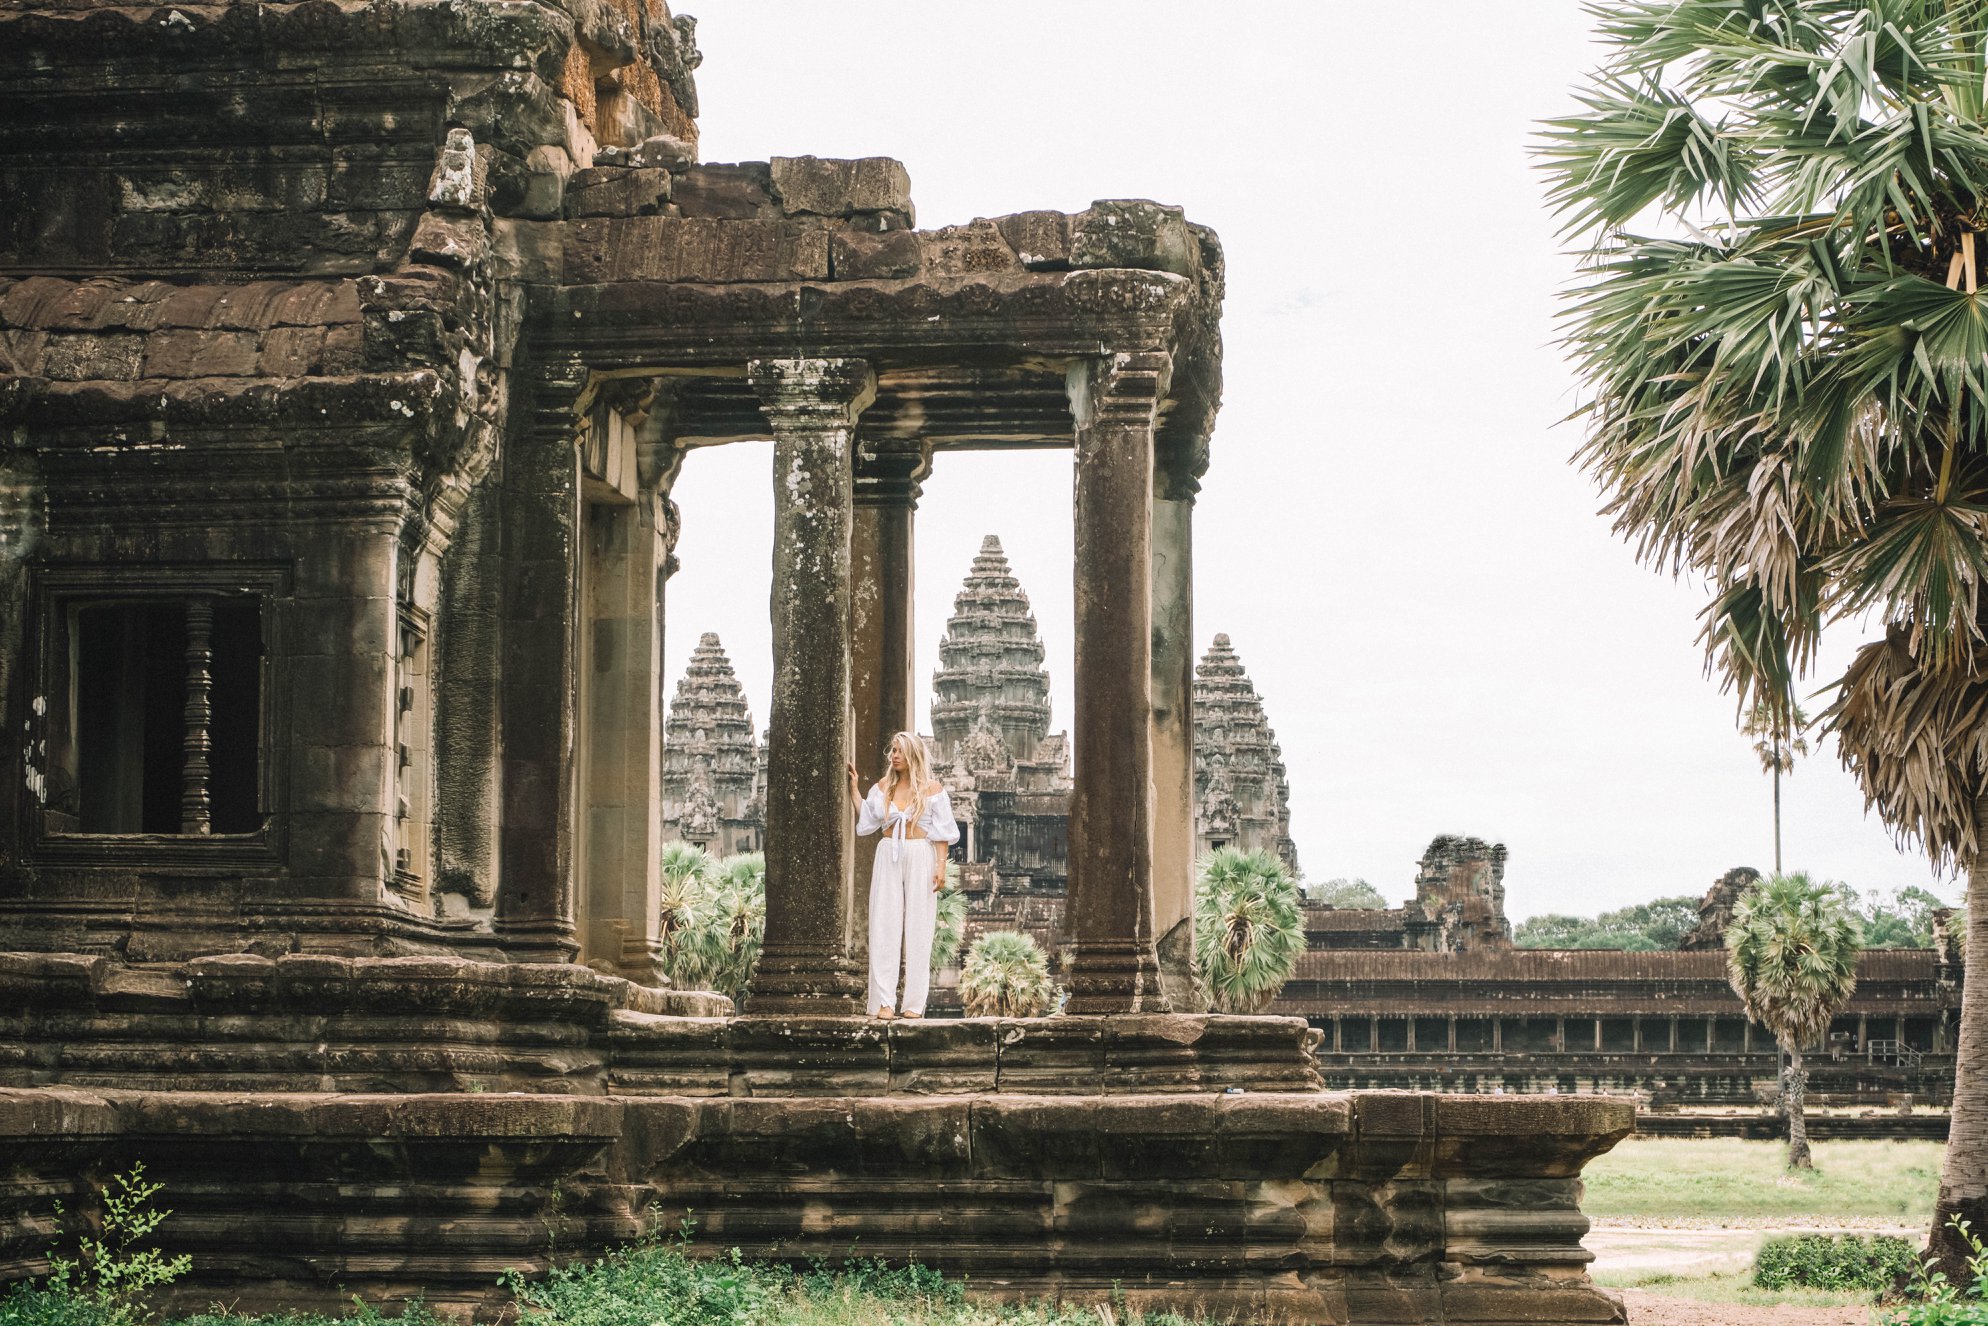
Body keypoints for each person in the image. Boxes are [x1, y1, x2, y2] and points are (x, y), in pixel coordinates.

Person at [847, 731, 959, 1019]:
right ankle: (884, 1001)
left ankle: (913, 1004)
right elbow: (868, 818)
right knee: (884, 924)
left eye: (899, 751)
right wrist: (855, 791)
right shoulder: (883, 787)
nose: (893, 755)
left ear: (912, 755)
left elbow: (942, 832)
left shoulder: (932, 789)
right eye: (892, 750)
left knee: (919, 928)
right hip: (888, 853)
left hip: (921, 853)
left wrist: (941, 866)